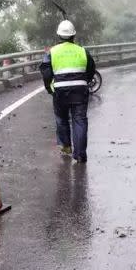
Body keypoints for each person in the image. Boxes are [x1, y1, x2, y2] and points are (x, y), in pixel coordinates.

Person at [39, 20, 96, 164]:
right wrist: (84, 82)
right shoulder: (82, 51)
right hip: (80, 90)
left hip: (60, 91)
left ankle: (66, 147)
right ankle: (80, 154)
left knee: (62, 120)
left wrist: (49, 88)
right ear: (73, 35)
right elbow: (91, 69)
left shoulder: (51, 52)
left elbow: (46, 72)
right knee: (80, 121)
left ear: (59, 35)